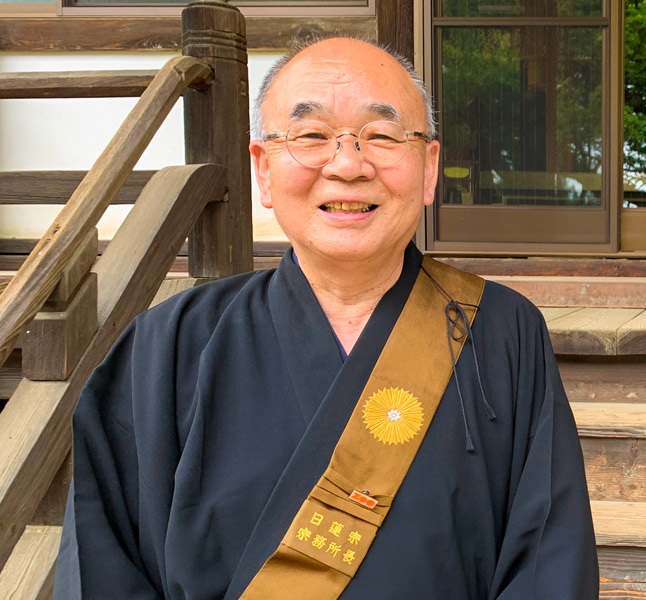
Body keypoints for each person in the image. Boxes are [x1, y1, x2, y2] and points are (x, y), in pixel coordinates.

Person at [54, 37, 599, 599]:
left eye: (382, 136)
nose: (347, 165)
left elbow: (548, 564)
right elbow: (103, 566)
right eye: (312, 136)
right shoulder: (166, 345)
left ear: (428, 167)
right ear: (262, 170)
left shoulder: (503, 332)